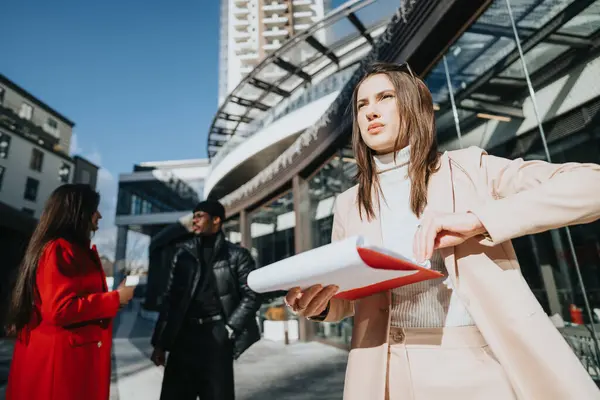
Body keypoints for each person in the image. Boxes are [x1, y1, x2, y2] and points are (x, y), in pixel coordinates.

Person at [285, 62, 600, 400]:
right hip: (383, 376)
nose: (370, 112)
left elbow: (591, 185)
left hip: (476, 369)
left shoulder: (470, 168)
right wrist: (319, 305)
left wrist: (478, 220)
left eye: (384, 97)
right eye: (362, 105)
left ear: (414, 106)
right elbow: (348, 300)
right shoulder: (349, 203)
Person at [5, 184, 136, 400]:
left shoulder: (70, 250)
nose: (100, 215)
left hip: (68, 362)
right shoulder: (59, 249)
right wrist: (114, 299)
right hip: (60, 367)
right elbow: (59, 309)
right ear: (77, 211)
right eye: (94, 209)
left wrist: (114, 300)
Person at [151, 199, 261, 400]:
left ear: (216, 220)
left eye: (200, 216)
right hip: (183, 339)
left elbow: (252, 294)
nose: (194, 221)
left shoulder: (237, 256)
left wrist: (230, 328)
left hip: (216, 338)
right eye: (193, 216)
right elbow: (170, 300)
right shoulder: (182, 255)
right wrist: (160, 343)